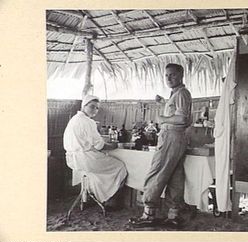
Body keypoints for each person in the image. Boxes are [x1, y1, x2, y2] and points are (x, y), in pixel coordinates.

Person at [129, 63, 192, 227]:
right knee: (174, 177)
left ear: (181, 75)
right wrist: (163, 103)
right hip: (176, 138)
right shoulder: (177, 94)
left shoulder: (182, 93)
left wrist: (162, 119)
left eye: (172, 75)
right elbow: (177, 113)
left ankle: (148, 214)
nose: (169, 78)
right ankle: (173, 215)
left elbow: (182, 119)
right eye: (166, 75)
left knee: (156, 173)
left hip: (171, 136)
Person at [63, 95, 127, 209]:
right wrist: (117, 145)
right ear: (84, 106)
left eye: (97, 108)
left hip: (72, 159)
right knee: (120, 167)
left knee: (97, 174)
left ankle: (95, 197)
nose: (95, 110)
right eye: (92, 107)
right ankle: (110, 200)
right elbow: (100, 146)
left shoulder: (74, 119)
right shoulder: (88, 122)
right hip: (85, 159)